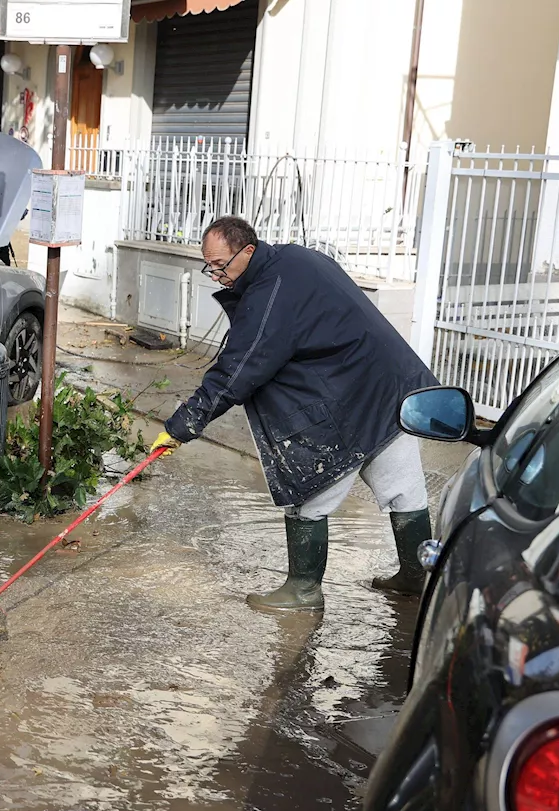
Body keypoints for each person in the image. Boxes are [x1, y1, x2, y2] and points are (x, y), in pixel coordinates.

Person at [151, 216, 438, 611]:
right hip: (388, 386)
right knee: (404, 487)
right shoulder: (297, 259)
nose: (216, 275)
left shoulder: (271, 291)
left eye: (221, 266)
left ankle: (303, 589)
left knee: (311, 490)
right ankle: (416, 578)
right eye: (209, 266)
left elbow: (239, 369)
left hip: (350, 394)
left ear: (247, 251)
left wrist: (185, 423)